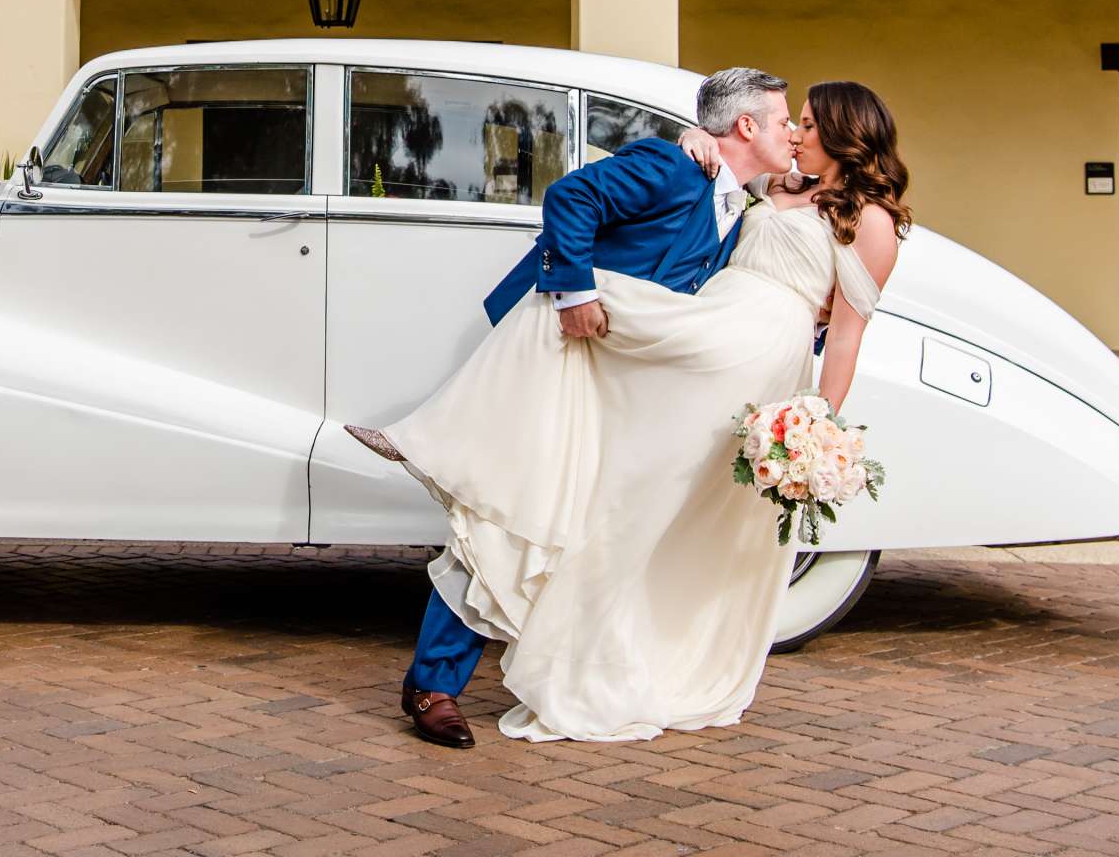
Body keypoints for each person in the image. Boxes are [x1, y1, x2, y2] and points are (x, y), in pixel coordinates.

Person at [348, 72, 908, 746]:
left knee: (626, 524)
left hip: (724, 378)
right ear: (749, 129)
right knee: (526, 500)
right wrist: (689, 141)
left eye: (809, 123)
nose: (797, 131)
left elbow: (842, 334)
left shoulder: (859, 218)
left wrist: (813, 429)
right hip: (648, 354)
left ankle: (622, 659)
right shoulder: (733, 178)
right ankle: (436, 668)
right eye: (792, 120)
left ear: (846, 135)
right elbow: (595, 195)